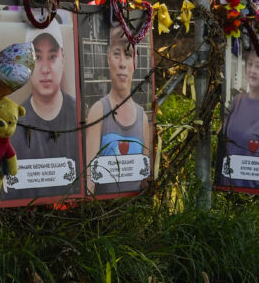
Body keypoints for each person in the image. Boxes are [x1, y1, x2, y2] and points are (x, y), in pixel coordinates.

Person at [10, 18, 80, 200]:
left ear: (62, 59)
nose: (45, 69)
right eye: (37, 57)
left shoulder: (81, 116)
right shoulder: (13, 126)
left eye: (52, 56)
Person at [84, 26, 152, 195]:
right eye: (116, 54)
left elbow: (146, 178)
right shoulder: (98, 111)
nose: (122, 63)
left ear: (134, 63)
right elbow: (89, 176)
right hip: (104, 212)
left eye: (128, 55)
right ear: (108, 60)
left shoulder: (142, 117)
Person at [214, 45, 259, 190]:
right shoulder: (237, 101)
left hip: (253, 192)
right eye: (250, 65)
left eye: (258, 66)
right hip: (227, 187)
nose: (252, 70)